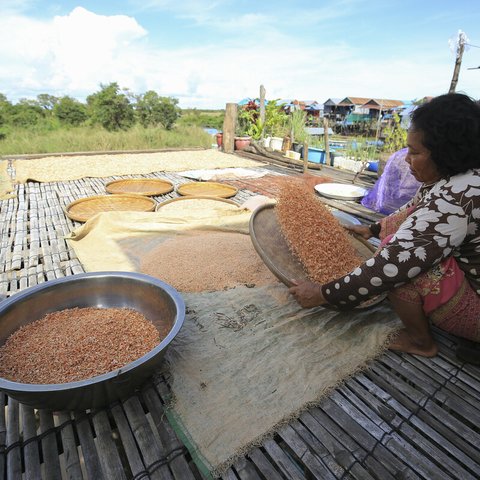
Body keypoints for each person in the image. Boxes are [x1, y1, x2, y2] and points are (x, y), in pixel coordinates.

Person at [289, 93, 480, 361]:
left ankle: (420, 341)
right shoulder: (463, 175)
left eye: (414, 153)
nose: (406, 160)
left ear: (446, 153)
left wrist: (322, 294)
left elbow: (392, 266)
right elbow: (415, 210)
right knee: (399, 242)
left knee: (401, 256)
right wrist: (373, 230)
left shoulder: (456, 197)